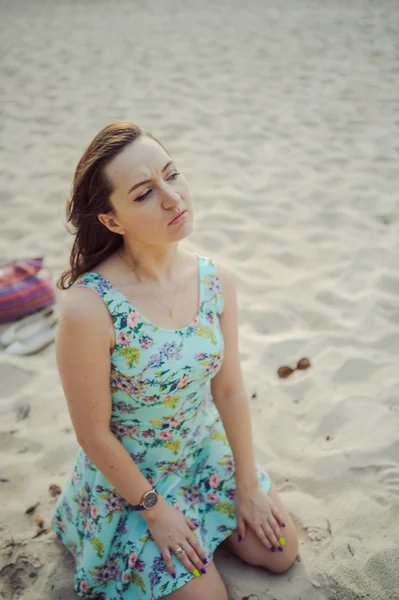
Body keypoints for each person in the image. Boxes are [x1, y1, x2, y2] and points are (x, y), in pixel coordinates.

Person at [51, 121, 299, 600]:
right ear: (112, 220)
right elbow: (93, 434)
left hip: (202, 450)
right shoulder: (90, 308)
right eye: (144, 194)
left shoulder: (215, 279)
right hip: (132, 478)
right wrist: (155, 510)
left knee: (281, 551)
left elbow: (227, 390)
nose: (172, 198)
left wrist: (248, 485)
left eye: (173, 175)